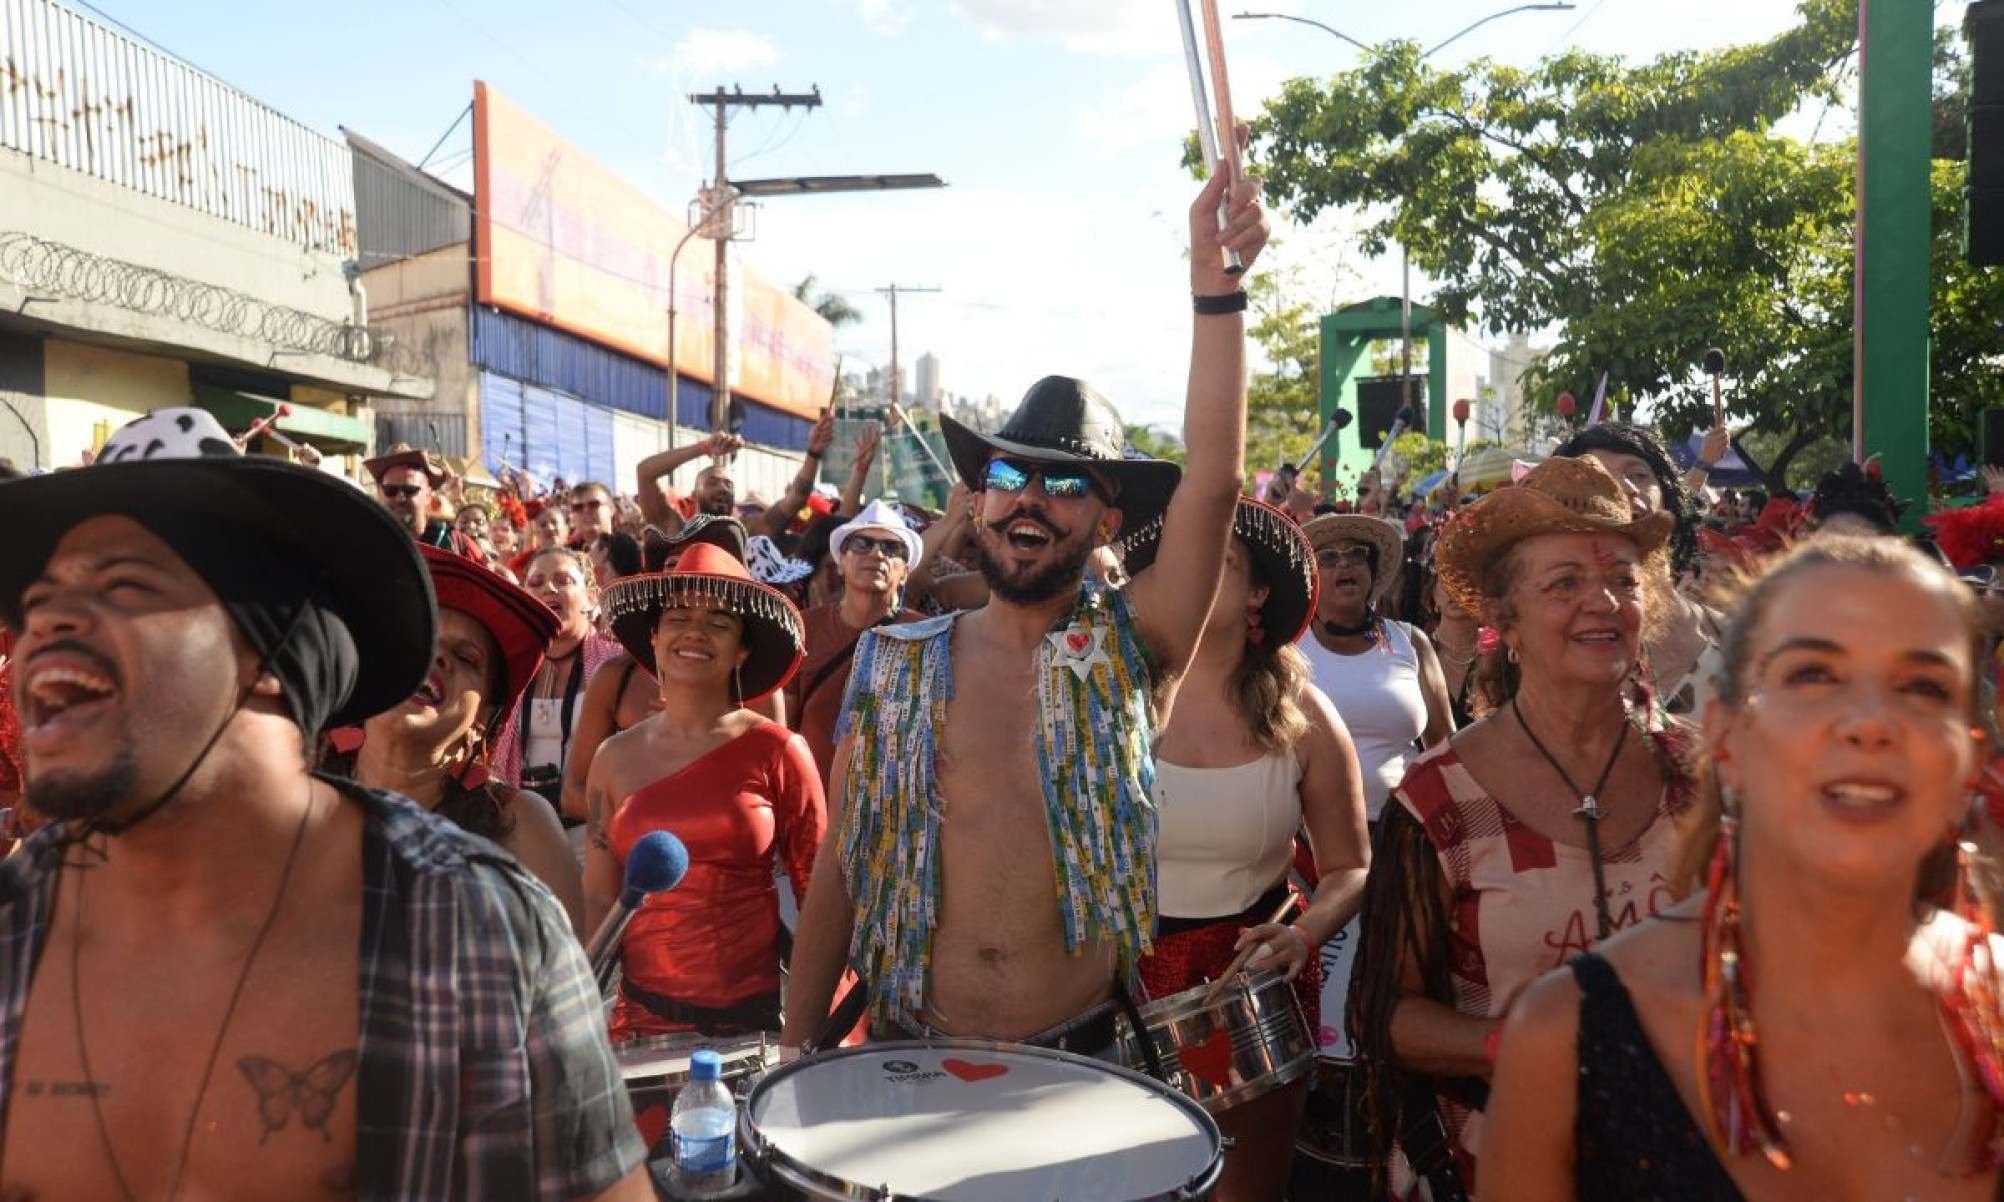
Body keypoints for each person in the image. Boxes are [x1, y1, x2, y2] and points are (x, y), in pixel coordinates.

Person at [0, 408, 648, 1200]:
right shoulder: (17, 919)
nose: (45, 626)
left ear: (272, 653)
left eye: (126, 586)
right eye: (37, 601)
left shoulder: (470, 930)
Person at [779, 165, 1270, 1056]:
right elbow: (839, 879)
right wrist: (795, 1054)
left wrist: (1215, 293)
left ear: (1109, 517)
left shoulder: (1136, 647)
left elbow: (1215, 483)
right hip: (908, 1051)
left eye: (1066, 481)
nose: (1029, 498)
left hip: (1079, 1055)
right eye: (1008, 475)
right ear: (981, 499)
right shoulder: (898, 665)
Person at [1483, 535, 2004, 1202]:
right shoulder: (1566, 1037)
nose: (1872, 723)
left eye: (1924, 687)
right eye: (1814, 674)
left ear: (1971, 761)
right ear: (1727, 740)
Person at [1349, 456, 1692, 1199]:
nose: (1602, 603)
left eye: (1624, 580)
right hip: (1497, 1160)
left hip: (1684, 1155)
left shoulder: (1701, 777)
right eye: (1564, 582)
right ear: (1505, 620)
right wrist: (1525, 1045)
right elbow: (1383, 1015)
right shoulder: (1440, 796)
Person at [1127, 495, 1372, 1202]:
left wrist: (1302, 936)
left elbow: (1351, 865)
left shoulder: (1305, 715)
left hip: (1249, 986)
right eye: (1183, 560)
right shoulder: (1110, 700)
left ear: (1260, 589)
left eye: (1222, 561)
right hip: (1113, 983)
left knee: (1244, 1192)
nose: (1198, 573)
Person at [584, 543, 822, 1040]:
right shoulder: (611, 757)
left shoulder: (779, 750)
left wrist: (811, 1031)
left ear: (743, 648)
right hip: (638, 1024)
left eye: (719, 621)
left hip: (755, 1027)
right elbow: (600, 897)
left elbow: (821, 898)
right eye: (678, 616)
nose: (695, 630)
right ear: (654, 637)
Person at [327, 545, 585, 934]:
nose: (438, 656)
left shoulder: (521, 825)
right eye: (419, 639)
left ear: (482, 722)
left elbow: (564, 985)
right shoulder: (295, 782)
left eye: (466, 658)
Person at [559, 518, 783, 831]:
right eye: (675, 565)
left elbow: (778, 805)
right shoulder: (615, 677)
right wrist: (646, 824)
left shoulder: (763, 696)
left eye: (705, 566)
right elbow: (574, 792)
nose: (689, 576)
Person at [1556, 421, 1722, 714]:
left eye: (1638, 474)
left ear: (1668, 500)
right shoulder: (1547, 642)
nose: (1626, 488)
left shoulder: (1733, 636)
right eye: (1599, 477)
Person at [1298, 512, 1454, 821]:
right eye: (1328, 557)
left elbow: (1445, 746)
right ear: (1310, 576)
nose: (1344, 564)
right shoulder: (1288, 651)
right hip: (1312, 838)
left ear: (1370, 569)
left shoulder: (1411, 641)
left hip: (1408, 832)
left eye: (1356, 554)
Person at [785, 499, 925, 793]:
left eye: (891, 549)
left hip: (896, 812)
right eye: (862, 543)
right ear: (840, 561)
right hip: (815, 810)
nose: (876, 554)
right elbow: (780, 728)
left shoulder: (928, 636)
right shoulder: (800, 628)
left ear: (905, 572)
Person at [491, 546, 624, 805]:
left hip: (592, 822)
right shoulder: (509, 665)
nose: (548, 589)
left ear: (592, 597)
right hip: (522, 822)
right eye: (536, 583)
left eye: (562, 581)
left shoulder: (617, 662)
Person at [363, 443, 482, 560]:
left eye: (410, 490)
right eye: (390, 490)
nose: (400, 498)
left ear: (428, 495)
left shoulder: (458, 546)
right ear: (379, 495)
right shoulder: (365, 547)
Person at [566, 481, 642, 584]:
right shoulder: (567, 552)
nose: (586, 510)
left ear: (611, 509)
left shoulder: (624, 545)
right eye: (578, 507)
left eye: (594, 504)